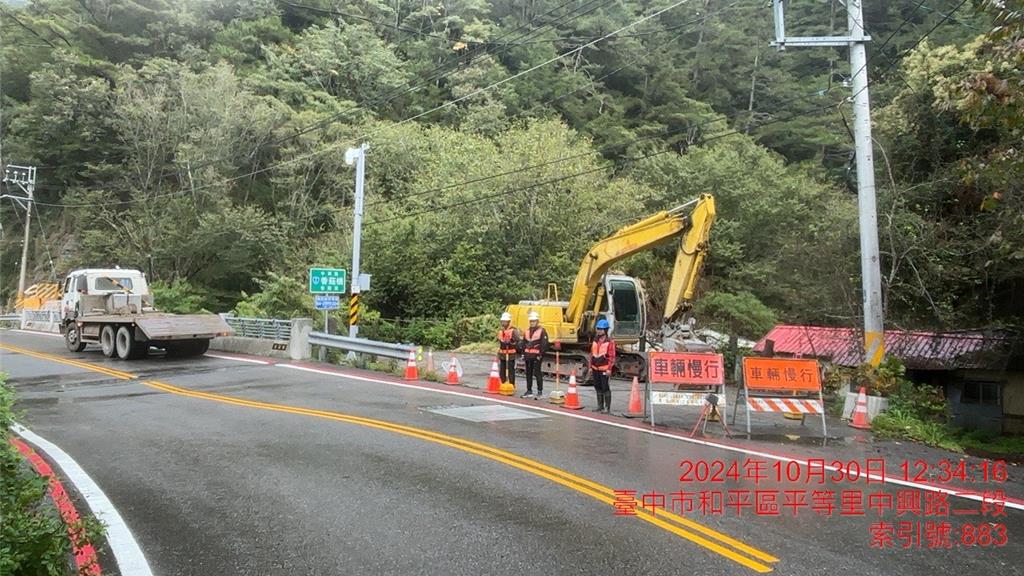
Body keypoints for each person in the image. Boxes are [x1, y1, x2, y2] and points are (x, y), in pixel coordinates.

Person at [589, 318, 616, 413]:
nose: (599, 330)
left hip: (604, 369)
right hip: (595, 368)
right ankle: (600, 406)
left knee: (605, 387)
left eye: (601, 329)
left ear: (605, 330)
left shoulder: (610, 342)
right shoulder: (595, 341)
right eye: (598, 328)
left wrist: (609, 369)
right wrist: (590, 367)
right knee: (597, 386)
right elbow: (591, 354)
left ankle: (607, 408)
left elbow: (612, 357)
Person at [521, 310, 549, 399]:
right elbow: (523, 343)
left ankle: (540, 391)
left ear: (537, 321)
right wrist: (523, 354)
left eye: (533, 321)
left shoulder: (542, 331)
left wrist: (540, 354)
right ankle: (529, 390)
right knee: (528, 373)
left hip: (537, 356)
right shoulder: (527, 331)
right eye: (531, 321)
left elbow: (544, 344)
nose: (532, 323)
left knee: (537, 373)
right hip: (528, 356)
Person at [496, 312, 521, 387]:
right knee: (502, 371)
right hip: (502, 354)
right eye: (502, 321)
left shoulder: (513, 331)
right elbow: (499, 342)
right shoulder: (501, 331)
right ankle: (503, 383)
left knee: (510, 371)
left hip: (510, 354)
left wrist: (511, 343)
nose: (503, 323)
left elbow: (518, 342)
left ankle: (511, 384)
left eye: (505, 321)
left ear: (508, 322)